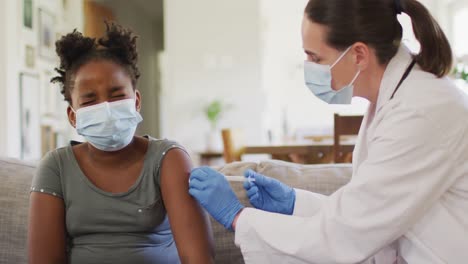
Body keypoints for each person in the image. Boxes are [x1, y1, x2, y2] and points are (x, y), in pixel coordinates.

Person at [188, 0, 468, 263]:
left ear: (358, 54)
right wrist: (295, 203)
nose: (309, 68)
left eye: (315, 57)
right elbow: (368, 211)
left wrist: (238, 217)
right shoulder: (395, 99)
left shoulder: (420, 110)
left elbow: (347, 233)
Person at [28, 23, 214, 264]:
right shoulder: (56, 167)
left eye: (117, 96)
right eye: (89, 101)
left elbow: (198, 259)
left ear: (136, 101)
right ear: (72, 115)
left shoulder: (169, 159)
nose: (105, 108)